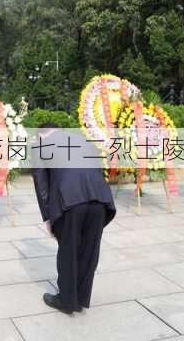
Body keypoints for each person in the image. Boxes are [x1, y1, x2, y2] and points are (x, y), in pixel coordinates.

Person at [31, 123, 116, 314]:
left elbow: (41, 182)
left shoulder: (40, 145)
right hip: (101, 201)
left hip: (71, 202)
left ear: (41, 136)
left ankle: (67, 301)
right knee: (89, 251)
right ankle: (81, 297)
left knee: (68, 250)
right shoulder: (83, 141)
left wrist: (47, 218)